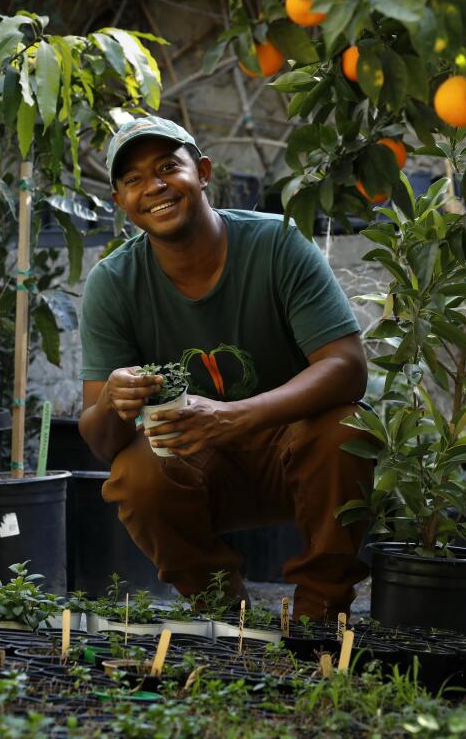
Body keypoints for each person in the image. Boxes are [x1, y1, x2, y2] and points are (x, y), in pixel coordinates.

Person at [77, 115, 372, 620]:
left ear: (204, 172)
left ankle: (320, 618)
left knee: (347, 428)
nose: (155, 187)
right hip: (199, 468)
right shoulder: (114, 282)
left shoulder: (276, 244)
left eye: (169, 167)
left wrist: (233, 417)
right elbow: (102, 442)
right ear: (120, 203)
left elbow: (347, 367)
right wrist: (112, 401)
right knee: (134, 474)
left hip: (294, 452)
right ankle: (223, 617)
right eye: (133, 180)